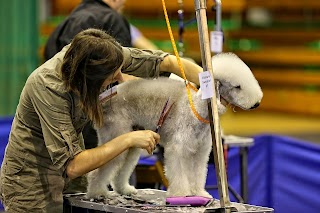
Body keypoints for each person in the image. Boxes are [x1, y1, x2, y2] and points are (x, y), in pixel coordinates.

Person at [0, 28, 202, 212]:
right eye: (113, 76)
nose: (121, 79)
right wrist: (129, 139)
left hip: (70, 179)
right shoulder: (48, 87)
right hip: (31, 181)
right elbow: (73, 165)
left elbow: (167, 62)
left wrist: (210, 85)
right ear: (91, 77)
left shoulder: (104, 54)